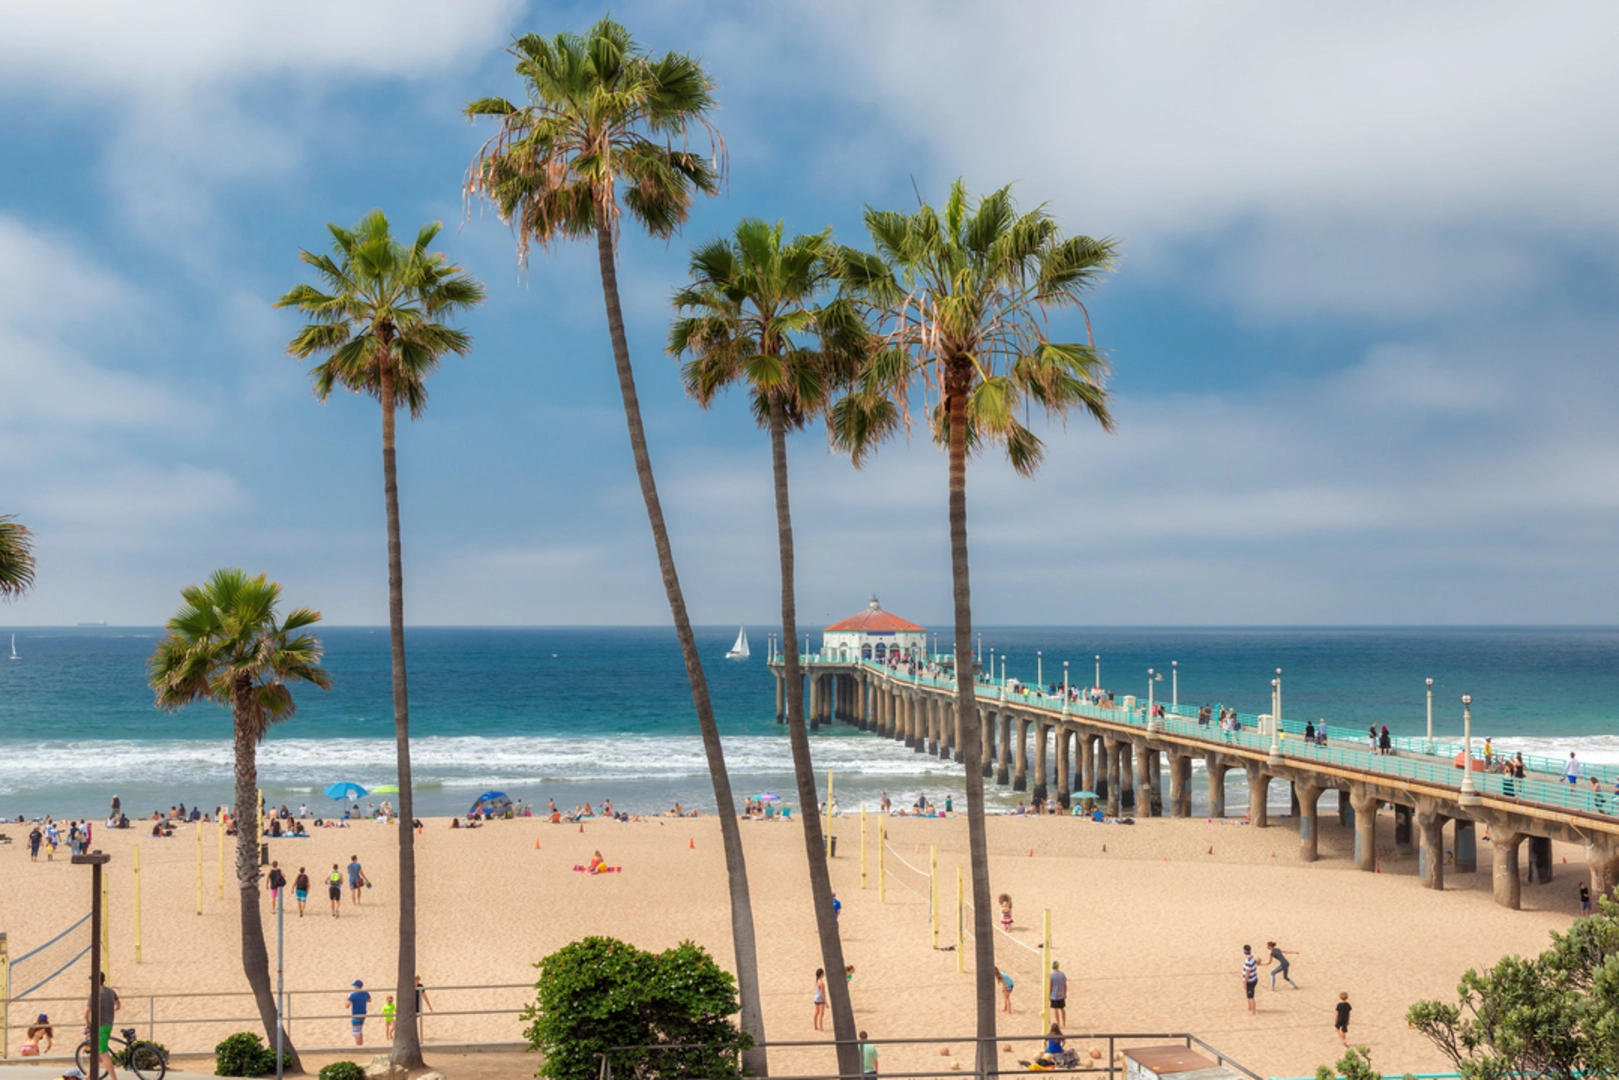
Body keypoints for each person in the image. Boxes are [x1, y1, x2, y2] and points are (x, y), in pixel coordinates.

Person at [86, 971, 120, 1080]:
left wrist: (89, 1025)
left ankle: (114, 1079)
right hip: (109, 1024)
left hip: (99, 1027)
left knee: (104, 1054)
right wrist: (111, 1011)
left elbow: (86, 1014)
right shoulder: (110, 992)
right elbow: (118, 1005)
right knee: (96, 1052)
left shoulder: (94, 994)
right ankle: (88, 1077)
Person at [346, 980, 371, 1045]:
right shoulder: (365, 993)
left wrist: (347, 998)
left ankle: (358, 1047)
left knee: (356, 1032)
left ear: (356, 986)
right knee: (360, 1031)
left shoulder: (353, 995)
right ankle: (361, 1045)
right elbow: (369, 1000)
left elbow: (347, 1005)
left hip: (356, 1015)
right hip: (363, 1014)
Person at [1048, 960, 1067, 1026]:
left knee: (1055, 1009)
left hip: (1054, 994)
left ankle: (1058, 1023)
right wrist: (1065, 993)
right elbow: (1065, 985)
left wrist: (1049, 994)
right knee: (1062, 1008)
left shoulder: (1051, 975)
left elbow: (1050, 986)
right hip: (1061, 993)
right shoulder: (1062, 974)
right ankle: (1064, 1023)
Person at [1241, 945, 1258, 1015]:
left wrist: (1245, 982)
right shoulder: (1252, 958)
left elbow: (1248, 972)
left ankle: (1253, 1011)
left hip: (1250, 980)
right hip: (1254, 978)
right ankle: (1249, 1007)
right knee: (1248, 994)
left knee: (1251, 996)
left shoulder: (1248, 961)